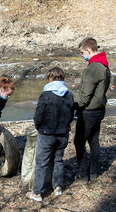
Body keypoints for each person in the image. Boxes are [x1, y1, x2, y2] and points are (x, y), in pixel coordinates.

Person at [26, 67, 74, 202]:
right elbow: (71, 115)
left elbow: (38, 116)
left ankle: (37, 193)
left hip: (47, 134)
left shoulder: (45, 95)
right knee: (58, 160)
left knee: (41, 162)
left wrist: (38, 127)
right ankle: (57, 187)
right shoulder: (69, 95)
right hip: (63, 133)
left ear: (50, 79)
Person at [74, 37, 111, 183]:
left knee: (79, 142)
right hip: (99, 109)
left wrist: (73, 105)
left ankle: (83, 175)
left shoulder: (93, 68)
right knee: (94, 140)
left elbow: (85, 96)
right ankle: (94, 173)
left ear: (88, 50)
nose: (82, 55)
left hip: (89, 111)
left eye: (82, 52)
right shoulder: (104, 65)